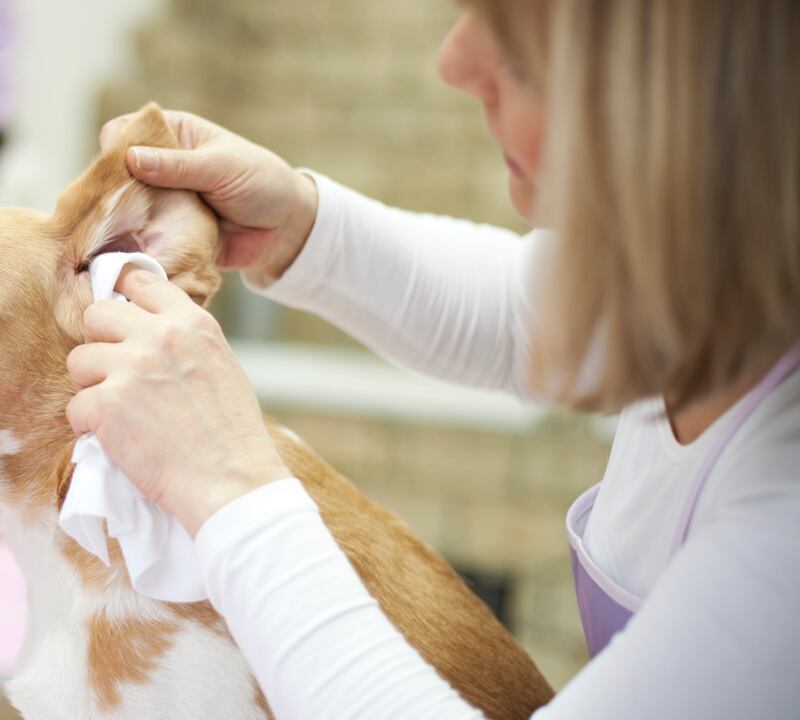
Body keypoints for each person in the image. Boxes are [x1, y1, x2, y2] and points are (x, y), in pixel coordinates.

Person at [66, 1, 800, 717]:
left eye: (520, 55)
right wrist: (295, 223)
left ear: (686, 106)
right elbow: (518, 312)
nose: (456, 63)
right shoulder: (711, 285)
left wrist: (227, 486)